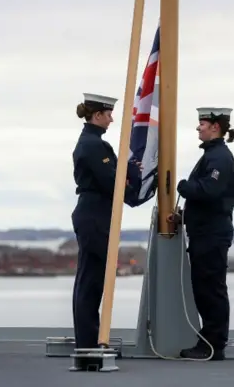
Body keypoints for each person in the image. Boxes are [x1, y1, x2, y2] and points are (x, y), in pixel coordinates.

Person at [71, 92, 142, 349]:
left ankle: (88, 340)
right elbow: (113, 182)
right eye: (108, 114)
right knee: (91, 281)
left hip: (95, 213)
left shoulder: (92, 143)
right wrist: (133, 179)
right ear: (97, 115)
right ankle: (88, 343)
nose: (112, 119)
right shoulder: (93, 145)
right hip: (95, 215)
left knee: (90, 279)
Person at [176, 107, 234, 361]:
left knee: (211, 290)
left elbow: (209, 190)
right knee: (204, 289)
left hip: (211, 235)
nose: (198, 127)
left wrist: (182, 187)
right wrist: (183, 216)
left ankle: (213, 345)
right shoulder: (212, 156)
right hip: (204, 233)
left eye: (202, 123)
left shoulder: (219, 158)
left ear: (215, 127)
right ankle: (210, 342)